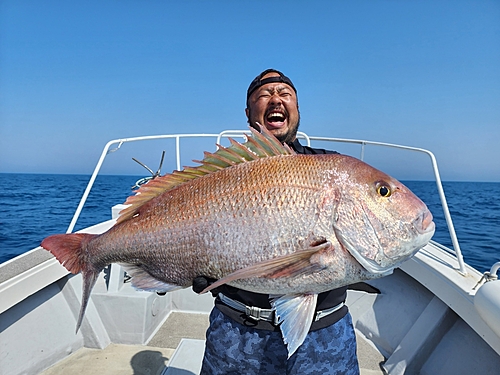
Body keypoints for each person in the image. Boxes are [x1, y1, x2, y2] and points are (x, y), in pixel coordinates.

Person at [193, 69, 360, 375]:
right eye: (264, 94)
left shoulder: (331, 167)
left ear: (296, 109)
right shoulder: (220, 175)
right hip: (236, 332)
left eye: (285, 94)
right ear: (248, 112)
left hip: (323, 334)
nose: (276, 99)